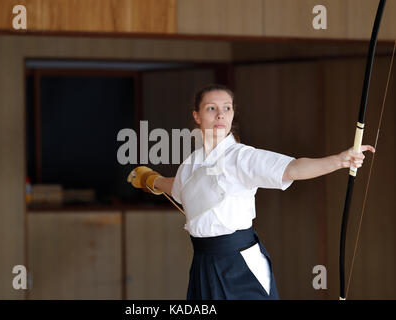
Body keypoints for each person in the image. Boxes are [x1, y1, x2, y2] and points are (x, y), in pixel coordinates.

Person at [127, 83, 375, 300]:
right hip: (203, 262)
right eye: (211, 108)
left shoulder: (241, 158)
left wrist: (339, 160)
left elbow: (293, 169)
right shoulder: (192, 162)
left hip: (239, 264)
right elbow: (179, 188)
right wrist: (151, 179)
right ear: (197, 116)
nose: (220, 114)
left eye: (227, 108)